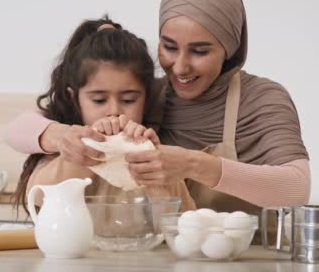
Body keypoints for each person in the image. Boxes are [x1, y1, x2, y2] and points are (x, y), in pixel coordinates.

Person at [6, 0, 310, 225]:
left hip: (249, 258)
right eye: (169, 47)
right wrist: (63, 137)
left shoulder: (262, 100)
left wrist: (193, 164)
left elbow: (296, 188)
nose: (180, 67)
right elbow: (19, 128)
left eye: (200, 51)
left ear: (229, 49)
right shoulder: (144, 94)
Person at [11, 16, 195, 215]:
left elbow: (184, 223)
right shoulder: (64, 148)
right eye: (99, 100)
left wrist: (151, 161)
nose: (114, 110)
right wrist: (86, 148)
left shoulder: (155, 144)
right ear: (75, 98)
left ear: (146, 98)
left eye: (129, 100)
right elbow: (42, 201)